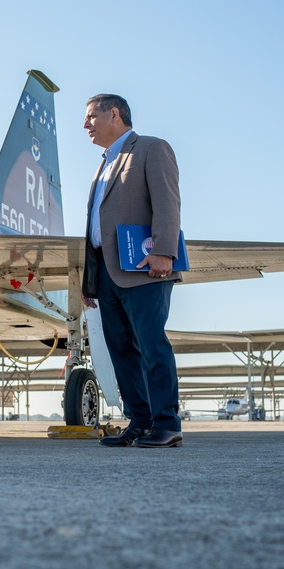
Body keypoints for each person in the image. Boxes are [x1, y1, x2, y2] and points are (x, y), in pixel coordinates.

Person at [80, 94, 184, 448]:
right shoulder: (102, 165)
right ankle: (139, 422)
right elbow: (96, 227)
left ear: (114, 114)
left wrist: (164, 251)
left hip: (144, 268)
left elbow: (167, 202)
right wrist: (88, 280)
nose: (86, 124)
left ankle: (167, 424)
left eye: (91, 116)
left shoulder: (152, 148)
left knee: (152, 346)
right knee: (121, 350)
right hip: (107, 273)